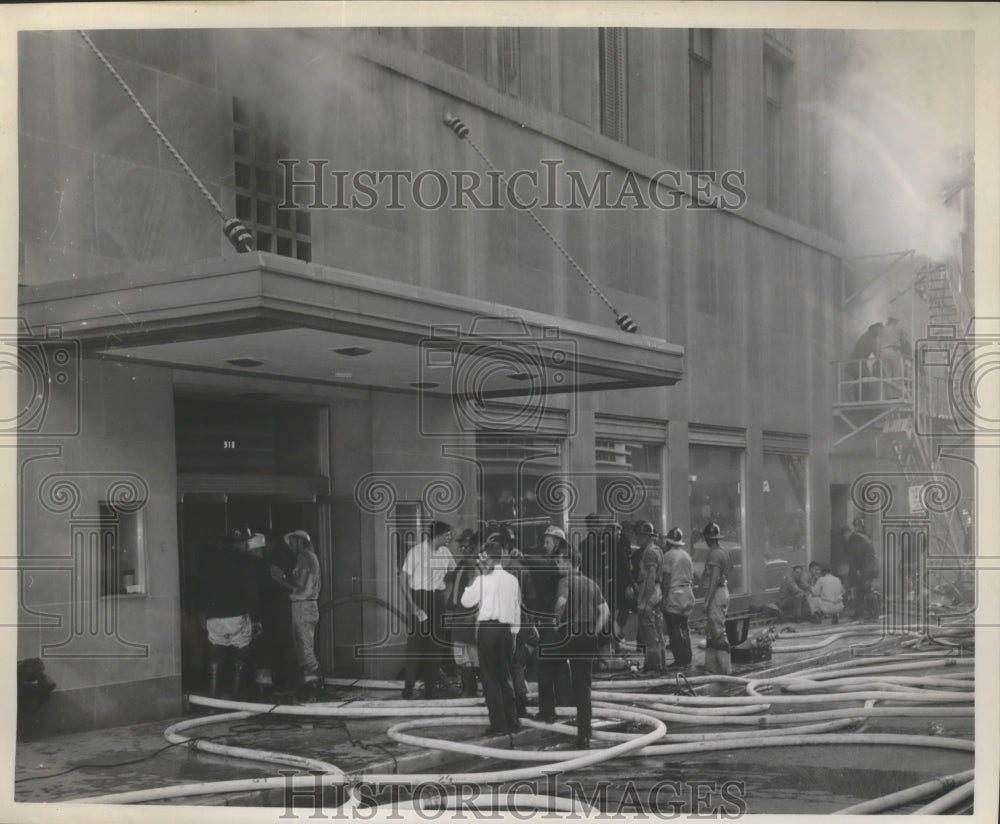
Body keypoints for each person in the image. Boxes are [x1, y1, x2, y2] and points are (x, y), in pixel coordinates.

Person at [539, 546, 610, 750]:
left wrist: (555, 622)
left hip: (569, 633)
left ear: (569, 563)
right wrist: (594, 632)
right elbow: (605, 611)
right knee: (583, 686)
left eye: (560, 562)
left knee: (545, 667)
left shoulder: (565, 581)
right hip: (588, 635)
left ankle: (547, 712)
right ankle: (584, 735)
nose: (557, 566)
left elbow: (561, 603)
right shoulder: (591, 583)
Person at [460, 540, 522, 736]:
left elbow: (465, 602)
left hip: (487, 630)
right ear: (501, 556)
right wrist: (514, 633)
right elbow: (516, 609)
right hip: (506, 631)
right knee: (506, 676)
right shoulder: (512, 580)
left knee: (490, 678)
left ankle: (498, 725)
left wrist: (472, 582)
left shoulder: (482, 580)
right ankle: (512, 722)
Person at [197, 527, 266, 700]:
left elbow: (201, 587)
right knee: (241, 660)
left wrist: (201, 613)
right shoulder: (246, 561)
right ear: (244, 543)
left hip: (214, 617)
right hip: (237, 615)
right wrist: (257, 619)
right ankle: (235, 702)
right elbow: (251, 593)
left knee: (215, 660)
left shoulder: (211, 559)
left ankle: (212, 702)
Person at [399, 521, 456, 699]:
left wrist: (446, 591)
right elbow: (402, 580)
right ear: (437, 535)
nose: (449, 538)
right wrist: (413, 606)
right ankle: (408, 688)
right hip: (419, 599)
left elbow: (454, 571)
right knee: (415, 646)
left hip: (437, 600)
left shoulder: (446, 553)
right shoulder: (415, 552)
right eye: (447, 535)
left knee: (436, 646)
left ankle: (430, 689)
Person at [270, 530, 323, 702]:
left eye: (292, 543)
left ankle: (313, 690)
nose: (290, 547)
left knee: (305, 649)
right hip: (304, 606)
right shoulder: (309, 556)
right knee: (303, 649)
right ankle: (310, 687)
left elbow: (300, 585)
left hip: (303, 607)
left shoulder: (304, 557)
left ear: (299, 542)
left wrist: (281, 576)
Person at [447, 528, 482, 698]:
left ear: (474, 547)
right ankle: (468, 689)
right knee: (462, 656)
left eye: (466, 547)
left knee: (475, 656)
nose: (463, 550)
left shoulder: (478, 568)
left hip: (472, 619)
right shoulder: (461, 567)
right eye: (461, 547)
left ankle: (474, 689)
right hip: (459, 618)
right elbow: (453, 591)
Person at [660, 527, 695, 667]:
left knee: (673, 628)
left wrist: (663, 596)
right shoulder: (686, 555)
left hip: (674, 593)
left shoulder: (669, 555)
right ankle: (688, 657)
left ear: (668, 542)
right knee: (684, 626)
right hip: (687, 592)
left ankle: (680, 660)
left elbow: (667, 578)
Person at [633, 520, 665, 673]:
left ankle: (654, 666)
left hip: (650, 593)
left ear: (647, 536)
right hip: (656, 592)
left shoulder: (650, 552)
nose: (637, 538)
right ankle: (660, 664)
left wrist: (643, 602)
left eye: (640, 535)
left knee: (649, 632)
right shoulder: (657, 550)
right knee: (657, 630)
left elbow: (650, 578)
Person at [702, 522, 731, 681]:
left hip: (716, 594)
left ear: (707, 538)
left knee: (718, 632)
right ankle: (711, 666)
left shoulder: (714, 554)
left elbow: (714, 578)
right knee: (712, 632)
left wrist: (707, 600)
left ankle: (725, 669)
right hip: (722, 592)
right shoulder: (723, 552)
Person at [847, 518, 879, 617]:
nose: (857, 527)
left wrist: (856, 569)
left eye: (857, 526)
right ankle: (866, 611)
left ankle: (872, 611)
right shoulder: (867, 536)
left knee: (864, 589)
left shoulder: (856, 537)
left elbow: (857, 555)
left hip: (864, 568)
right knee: (863, 589)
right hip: (871, 567)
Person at [847, 322, 884, 400]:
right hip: (859, 364)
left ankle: (859, 399)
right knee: (866, 380)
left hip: (855, 364)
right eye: (879, 329)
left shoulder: (866, 335)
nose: (880, 331)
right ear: (874, 328)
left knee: (860, 381)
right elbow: (876, 354)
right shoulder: (871, 338)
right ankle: (862, 399)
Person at [880, 316, 911, 398]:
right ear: (895, 322)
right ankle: (898, 395)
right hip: (893, 351)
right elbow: (904, 340)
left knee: (887, 375)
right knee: (897, 374)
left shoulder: (882, 330)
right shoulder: (899, 329)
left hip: (883, 353)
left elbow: (878, 343)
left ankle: (888, 396)